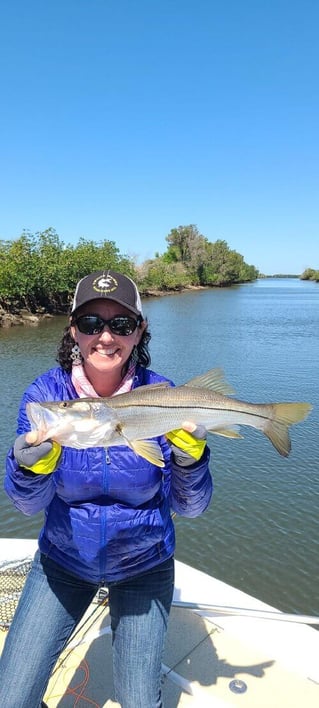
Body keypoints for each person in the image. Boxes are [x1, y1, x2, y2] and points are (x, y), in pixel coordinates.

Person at [0, 269, 212, 708]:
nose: (105, 337)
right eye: (92, 323)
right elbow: (26, 505)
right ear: (73, 330)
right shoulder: (45, 396)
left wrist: (191, 461)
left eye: (121, 324)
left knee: (139, 701)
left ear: (139, 332)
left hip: (144, 564)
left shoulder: (165, 396)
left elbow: (190, 509)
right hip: (63, 562)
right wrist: (30, 467)